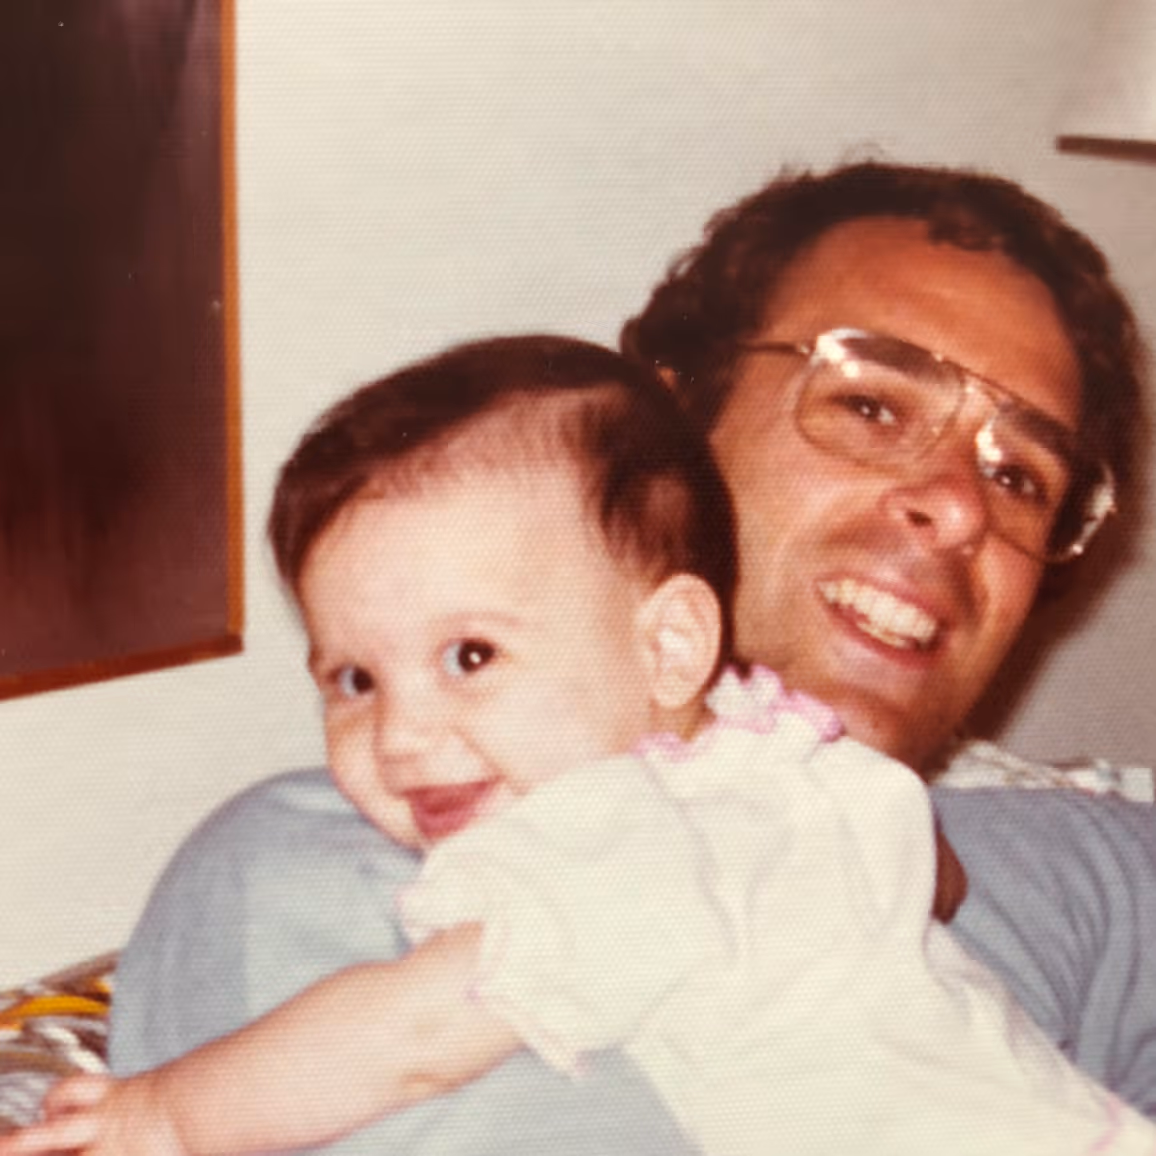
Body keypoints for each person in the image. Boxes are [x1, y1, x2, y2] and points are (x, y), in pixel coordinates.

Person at [105, 162, 1156, 1155]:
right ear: (676, 423)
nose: (961, 508)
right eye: (871, 404)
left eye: (1020, 477)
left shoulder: (1059, 851)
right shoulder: (324, 875)